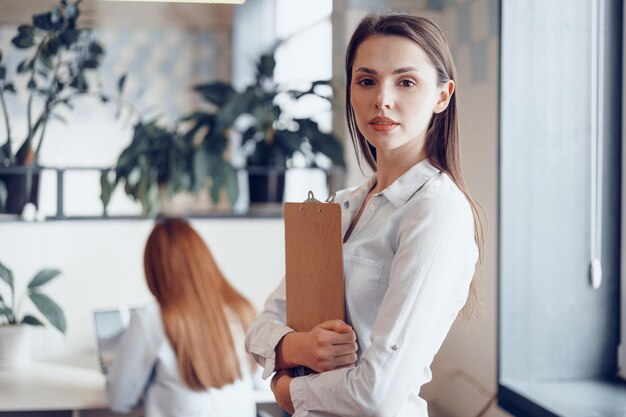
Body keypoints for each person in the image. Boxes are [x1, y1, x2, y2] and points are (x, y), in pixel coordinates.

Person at [245, 12, 484, 417]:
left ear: (442, 96)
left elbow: (379, 392)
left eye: (406, 82)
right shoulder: (340, 205)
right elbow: (260, 327)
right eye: (367, 80)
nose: (382, 99)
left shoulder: (435, 210)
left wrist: (289, 391)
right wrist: (301, 347)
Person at [107, 218, 258, 417]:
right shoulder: (241, 310)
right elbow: (261, 381)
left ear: (154, 270)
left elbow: (119, 399)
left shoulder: (151, 317)